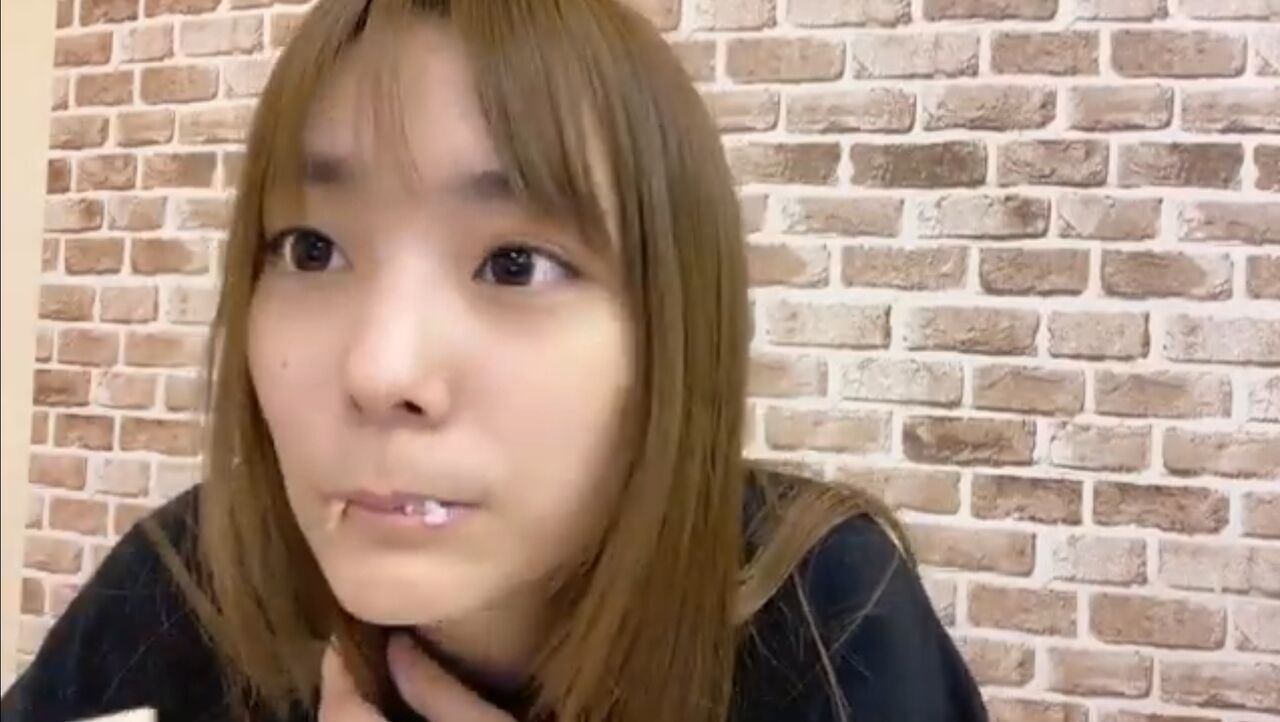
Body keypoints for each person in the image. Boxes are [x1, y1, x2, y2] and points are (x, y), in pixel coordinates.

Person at [2, 1, 989, 721]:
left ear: (665, 338)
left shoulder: (820, 623)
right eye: (312, 249)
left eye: (513, 264)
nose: (382, 369)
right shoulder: (191, 581)